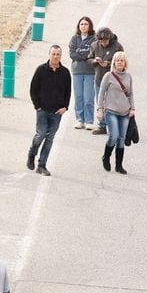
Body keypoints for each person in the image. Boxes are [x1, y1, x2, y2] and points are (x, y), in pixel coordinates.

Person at [27, 43, 70, 175]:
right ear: (49, 54)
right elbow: (33, 88)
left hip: (57, 112)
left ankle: (42, 165)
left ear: (61, 55)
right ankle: (32, 153)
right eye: (53, 54)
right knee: (40, 135)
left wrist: (65, 107)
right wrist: (37, 106)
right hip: (43, 110)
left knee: (50, 138)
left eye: (58, 54)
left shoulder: (65, 72)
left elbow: (68, 91)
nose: (55, 56)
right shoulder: (41, 70)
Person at [97, 51, 133, 175]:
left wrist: (132, 108)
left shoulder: (128, 77)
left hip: (125, 111)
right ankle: (106, 157)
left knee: (121, 138)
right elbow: (101, 93)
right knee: (114, 135)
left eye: (122, 60)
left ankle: (119, 165)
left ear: (125, 63)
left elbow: (130, 94)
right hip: (111, 110)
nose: (119, 62)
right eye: (117, 60)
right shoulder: (108, 76)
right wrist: (100, 108)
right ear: (114, 62)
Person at [88, 27, 123, 131]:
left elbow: (122, 62)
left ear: (110, 39)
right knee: (100, 102)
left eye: (105, 41)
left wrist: (107, 64)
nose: (103, 43)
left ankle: (113, 124)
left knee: (112, 103)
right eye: (101, 41)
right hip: (99, 78)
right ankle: (102, 124)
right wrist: (95, 61)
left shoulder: (117, 47)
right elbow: (88, 60)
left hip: (113, 79)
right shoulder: (94, 45)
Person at [67, 17, 99, 129]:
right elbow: (72, 54)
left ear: (90, 26)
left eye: (86, 24)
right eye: (81, 24)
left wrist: (81, 53)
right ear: (78, 26)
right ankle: (80, 119)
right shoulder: (74, 39)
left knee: (88, 97)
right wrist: (85, 55)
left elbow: (92, 54)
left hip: (90, 72)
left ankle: (89, 121)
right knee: (79, 96)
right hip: (77, 71)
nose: (84, 26)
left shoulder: (94, 40)